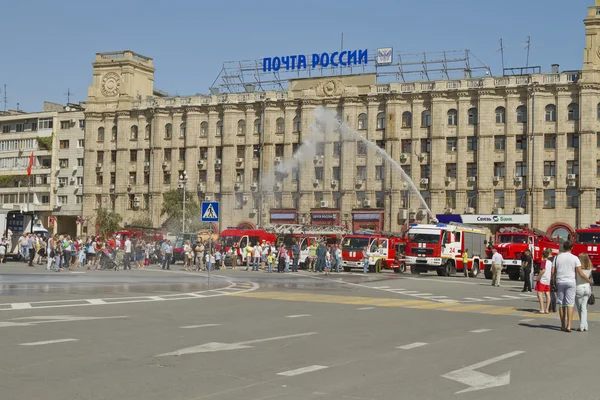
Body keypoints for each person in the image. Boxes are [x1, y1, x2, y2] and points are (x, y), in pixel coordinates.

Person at [552, 241, 592, 332]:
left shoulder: (557, 257)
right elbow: (580, 273)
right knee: (570, 304)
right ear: (572, 248)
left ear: (563, 247)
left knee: (561, 304)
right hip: (571, 282)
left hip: (560, 281)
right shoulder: (575, 258)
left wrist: (553, 281)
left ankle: (562, 325)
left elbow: (553, 272)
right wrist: (589, 281)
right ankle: (569, 325)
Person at [575, 253, 594, 332]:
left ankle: (582, 326)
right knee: (584, 308)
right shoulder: (590, 267)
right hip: (587, 288)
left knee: (580, 308)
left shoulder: (578, 268)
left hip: (579, 287)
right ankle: (585, 325)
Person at [535, 249, 552, 313]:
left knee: (539, 294)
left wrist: (538, 276)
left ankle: (542, 309)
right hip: (548, 280)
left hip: (542, 279)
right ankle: (547, 309)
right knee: (547, 294)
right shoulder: (550, 262)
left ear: (542, 255)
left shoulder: (543, 262)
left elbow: (543, 270)